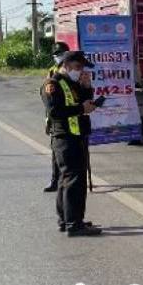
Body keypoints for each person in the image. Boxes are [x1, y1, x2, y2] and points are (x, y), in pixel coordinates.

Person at [41, 50, 101, 237]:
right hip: (65, 138)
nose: (80, 71)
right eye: (77, 67)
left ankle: (67, 220)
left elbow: (83, 103)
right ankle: (74, 225)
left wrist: (87, 88)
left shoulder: (72, 83)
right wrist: (81, 109)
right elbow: (55, 112)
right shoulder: (52, 84)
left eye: (82, 68)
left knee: (67, 180)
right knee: (73, 181)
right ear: (66, 65)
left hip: (77, 136)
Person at [42, 41, 71, 192]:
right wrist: (48, 118)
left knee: (73, 154)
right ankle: (55, 180)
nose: (59, 57)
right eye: (56, 54)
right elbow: (48, 98)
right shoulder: (52, 71)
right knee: (56, 151)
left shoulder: (73, 69)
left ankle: (73, 179)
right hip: (57, 116)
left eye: (61, 54)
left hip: (73, 115)